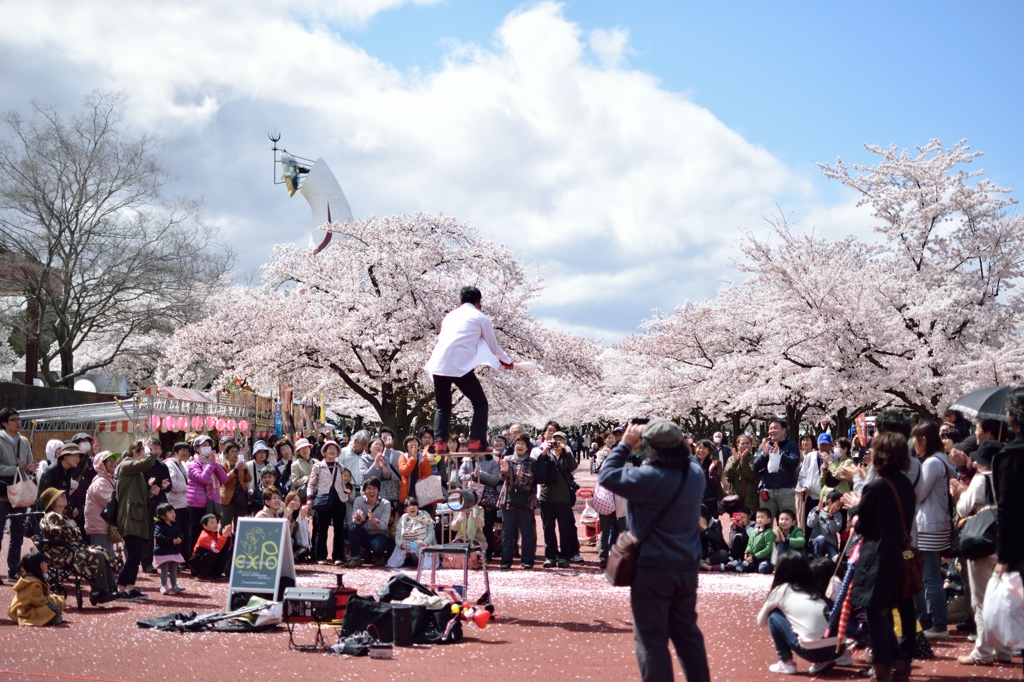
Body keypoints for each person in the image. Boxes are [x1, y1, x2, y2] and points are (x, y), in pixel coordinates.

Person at [597, 419, 710, 682]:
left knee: (651, 638)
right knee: (687, 633)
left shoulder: (647, 477)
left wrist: (624, 443)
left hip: (652, 567)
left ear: (648, 447)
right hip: (686, 565)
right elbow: (689, 456)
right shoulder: (694, 473)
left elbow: (606, 475)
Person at [850, 431, 915, 682]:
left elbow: (862, 525)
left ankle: (882, 667)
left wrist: (856, 507)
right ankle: (898, 662)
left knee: (874, 611)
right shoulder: (905, 484)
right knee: (881, 610)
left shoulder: (876, 486)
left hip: (876, 555)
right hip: (898, 551)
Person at [424, 285, 514, 454]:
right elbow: (493, 346)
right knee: (480, 403)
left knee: (442, 405)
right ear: (479, 302)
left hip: (438, 363)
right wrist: (507, 361)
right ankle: (475, 441)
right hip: (459, 365)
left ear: (460, 301)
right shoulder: (481, 318)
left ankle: (440, 443)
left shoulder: (449, 316)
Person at [949, 439, 1012, 665]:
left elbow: (963, 508)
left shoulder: (980, 480)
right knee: (1002, 600)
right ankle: (1003, 650)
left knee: (981, 601)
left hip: (982, 543)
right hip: (1004, 543)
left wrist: (959, 493)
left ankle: (983, 652)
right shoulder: (1008, 477)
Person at [757, 552, 854, 675]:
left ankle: (786, 663)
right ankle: (832, 659)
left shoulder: (780, 590)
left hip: (814, 651)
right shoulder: (815, 586)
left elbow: (761, 622)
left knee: (773, 615)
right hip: (839, 648)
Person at [910, 420, 955, 639]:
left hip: (929, 525)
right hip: (938, 523)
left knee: (930, 577)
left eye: (914, 438)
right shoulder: (943, 460)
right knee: (929, 575)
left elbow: (918, 494)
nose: (912, 442)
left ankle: (938, 625)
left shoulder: (931, 464)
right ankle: (930, 620)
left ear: (924, 440)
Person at [37, 488, 120, 605]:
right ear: (53, 502)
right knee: (96, 554)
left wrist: (71, 529)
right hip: (60, 553)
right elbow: (59, 533)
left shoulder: (64, 517)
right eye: (61, 496)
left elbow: (77, 534)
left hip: (70, 550)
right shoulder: (51, 516)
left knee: (100, 551)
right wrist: (71, 527)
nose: (65, 497)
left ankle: (109, 588)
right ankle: (100, 590)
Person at [0, 407, 38, 583]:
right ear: (4, 423)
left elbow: (29, 463)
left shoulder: (24, 441)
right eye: (13, 419)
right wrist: (15, 469)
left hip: (20, 493)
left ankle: (13, 570)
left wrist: (30, 469)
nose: (18, 422)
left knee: (17, 534)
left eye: (18, 418)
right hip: (2, 494)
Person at [115, 441, 157, 601]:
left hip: (136, 517)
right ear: (135, 453)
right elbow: (148, 461)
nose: (145, 455)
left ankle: (130, 588)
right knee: (134, 555)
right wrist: (148, 449)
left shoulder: (134, 470)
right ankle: (120, 587)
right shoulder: (127, 465)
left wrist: (150, 493)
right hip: (130, 517)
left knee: (136, 554)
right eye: (142, 452)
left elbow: (137, 494)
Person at [537, 431, 579, 568]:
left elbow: (573, 467)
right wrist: (545, 451)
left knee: (565, 529)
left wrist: (565, 451)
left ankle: (564, 556)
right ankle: (550, 556)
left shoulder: (566, 457)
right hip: (547, 498)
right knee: (548, 529)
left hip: (563, 499)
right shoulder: (546, 456)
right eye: (555, 440)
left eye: (560, 440)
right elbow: (537, 468)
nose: (556, 443)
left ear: (565, 442)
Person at [497, 433, 539, 571]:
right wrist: (507, 470)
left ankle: (527, 560)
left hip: (526, 501)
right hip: (509, 499)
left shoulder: (532, 462)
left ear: (527, 447)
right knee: (508, 532)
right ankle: (506, 560)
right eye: (517, 443)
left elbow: (532, 480)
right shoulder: (507, 459)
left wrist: (522, 475)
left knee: (527, 532)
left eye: (522, 444)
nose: (519, 446)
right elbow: (502, 477)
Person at [305, 439, 350, 565]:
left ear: (338, 452)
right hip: (323, 500)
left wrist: (347, 492)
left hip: (339, 501)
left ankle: (338, 556)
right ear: (324, 452)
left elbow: (345, 483)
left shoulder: (341, 467)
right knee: (321, 528)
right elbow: (311, 484)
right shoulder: (318, 466)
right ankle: (320, 556)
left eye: (334, 449)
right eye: (329, 448)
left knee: (339, 529)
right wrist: (309, 499)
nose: (332, 450)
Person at [458, 436, 502, 559]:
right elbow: (460, 476)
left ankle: (488, 551)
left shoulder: (492, 462)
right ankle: (470, 549)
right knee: (469, 525)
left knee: (487, 526)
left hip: (487, 498)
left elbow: (495, 480)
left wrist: (481, 474)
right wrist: (472, 475)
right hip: (470, 498)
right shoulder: (467, 461)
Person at [186, 435, 227, 563]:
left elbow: (224, 479)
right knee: (197, 533)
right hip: (197, 504)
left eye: (208, 445)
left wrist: (215, 464)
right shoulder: (193, 464)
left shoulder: (213, 463)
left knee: (211, 533)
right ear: (196, 448)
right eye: (203, 445)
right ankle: (194, 562)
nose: (206, 448)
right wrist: (211, 464)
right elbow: (202, 479)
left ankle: (208, 561)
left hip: (212, 503)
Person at [753, 419, 801, 519]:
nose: (772, 431)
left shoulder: (791, 445)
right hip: (767, 491)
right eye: (770, 428)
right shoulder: (765, 446)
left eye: (775, 428)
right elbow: (756, 466)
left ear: (784, 430)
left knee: (787, 523)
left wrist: (780, 454)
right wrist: (764, 454)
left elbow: (794, 462)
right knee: (764, 523)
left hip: (786, 491)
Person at [8, 551, 65, 626]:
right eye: (44, 563)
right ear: (37, 567)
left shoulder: (33, 579)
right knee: (55, 606)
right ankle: (51, 618)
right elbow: (40, 602)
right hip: (26, 612)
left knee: (55, 606)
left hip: (28, 609)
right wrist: (56, 599)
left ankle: (53, 617)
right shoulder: (34, 585)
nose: (46, 564)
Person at [346, 477, 392, 567]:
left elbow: (383, 526)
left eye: (374, 488)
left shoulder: (386, 504)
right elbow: (354, 520)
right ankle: (355, 558)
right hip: (365, 534)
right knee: (352, 529)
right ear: (364, 490)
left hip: (381, 534)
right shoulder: (358, 501)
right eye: (369, 488)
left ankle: (379, 556)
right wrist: (357, 519)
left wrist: (374, 521)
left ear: (378, 490)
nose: (372, 491)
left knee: (376, 545)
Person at [84, 450, 120, 558]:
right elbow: (110, 501)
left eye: (114, 460)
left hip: (105, 525)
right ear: (101, 464)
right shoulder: (100, 482)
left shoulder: (109, 479)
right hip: (98, 526)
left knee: (107, 557)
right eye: (109, 460)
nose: (114, 463)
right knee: (102, 558)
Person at [386, 496, 435, 568]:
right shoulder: (403, 518)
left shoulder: (425, 515)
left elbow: (431, 532)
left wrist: (425, 542)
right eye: (409, 506)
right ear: (405, 509)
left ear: (418, 507)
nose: (412, 507)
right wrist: (401, 545)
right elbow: (398, 536)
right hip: (407, 544)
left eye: (414, 505)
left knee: (428, 565)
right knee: (392, 563)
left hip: (422, 543)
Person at [36, 442, 80, 521]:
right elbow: (43, 501)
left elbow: (65, 497)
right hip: (47, 521)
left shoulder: (68, 472)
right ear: (65, 455)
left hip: (60, 518)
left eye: (79, 456)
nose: (78, 459)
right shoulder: (50, 472)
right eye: (75, 455)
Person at [165, 442, 192, 563]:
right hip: (175, 505)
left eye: (187, 450)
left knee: (184, 533)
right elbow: (173, 484)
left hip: (184, 504)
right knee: (175, 533)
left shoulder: (183, 465)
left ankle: (183, 559)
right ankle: (173, 559)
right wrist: (188, 487)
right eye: (182, 450)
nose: (185, 453)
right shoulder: (171, 464)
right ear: (175, 452)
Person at [153, 503, 186, 595]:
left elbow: (180, 532)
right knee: (164, 570)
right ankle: (164, 586)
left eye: (173, 511)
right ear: (163, 516)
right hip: (163, 551)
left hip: (173, 550)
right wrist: (172, 540)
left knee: (173, 569)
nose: (173, 514)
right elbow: (158, 536)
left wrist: (180, 538)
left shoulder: (175, 524)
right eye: (170, 512)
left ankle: (174, 585)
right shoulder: (159, 525)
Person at [218, 438, 252, 528]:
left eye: (236, 451)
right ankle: (225, 542)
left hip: (241, 499)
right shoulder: (223, 466)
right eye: (232, 451)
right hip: (228, 500)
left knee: (240, 526)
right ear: (226, 454)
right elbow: (224, 480)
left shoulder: (242, 465)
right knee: (226, 525)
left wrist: (245, 469)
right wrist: (235, 470)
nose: (235, 454)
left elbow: (249, 479)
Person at [190, 513, 233, 581]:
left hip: (207, 560)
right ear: (204, 525)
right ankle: (203, 576)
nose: (215, 524)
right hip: (197, 565)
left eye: (216, 522)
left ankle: (216, 574)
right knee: (211, 555)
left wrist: (228, 536)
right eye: (212, 523)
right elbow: (216, 549)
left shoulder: (215, 533)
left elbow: (225, 548)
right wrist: (224, 536)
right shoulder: (204, 536)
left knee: (225, 554)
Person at [725, 434, 760, 513]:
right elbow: (728, 474)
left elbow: (751, 475)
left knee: (751, 522)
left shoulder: (754, 459)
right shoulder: (731, 459)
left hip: (750, 499)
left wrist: (744, 461)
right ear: (737, 445)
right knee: (735, 523)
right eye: (742, 443)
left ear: (751, 445)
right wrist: (735, 461)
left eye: (748, 443)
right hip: (734, 498)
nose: (745, 445)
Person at [736, 508, 775, 574]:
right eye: (758, 517)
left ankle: (759, 566)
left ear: (768, 520)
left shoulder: (769, 532)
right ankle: (754, 566)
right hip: (752, 558)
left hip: (763, 558)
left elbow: (768, 549)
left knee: (763, 569)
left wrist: (755, 557)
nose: (759, 519)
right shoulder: (755, 531)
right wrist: (747, 552)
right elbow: (750, 543)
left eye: (762, 517)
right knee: (739, 568)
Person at [807, 491, 844, 559]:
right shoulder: (816, 509)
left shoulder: (838, 515)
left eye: (840, 506)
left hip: (830, 544)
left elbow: (833, 531)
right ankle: (817, 560)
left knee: (835, 558)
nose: (839, 508)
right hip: (816, 541)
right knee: (821, 539)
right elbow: (810, 524)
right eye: (838, 505)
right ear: (829, 501)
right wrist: (817, 512)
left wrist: (831, 517)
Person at [693, 439, 723, 516]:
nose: (701, 450)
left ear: (709, 451)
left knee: (710, 521)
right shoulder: (691, 462)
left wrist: (710, 470)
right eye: (699, 447)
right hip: (694, 498)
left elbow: (714, 482)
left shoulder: (714, 462)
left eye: (704, 448)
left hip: (710, 498)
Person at [290, 438, 314, 504]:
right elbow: (295, 482)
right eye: (301, 448)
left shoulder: (316, 462)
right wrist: (309, 478)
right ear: (298, 451)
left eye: (306, 447)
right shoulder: (295, 465)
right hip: (305, 498)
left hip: (318, 495)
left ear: (309, 448)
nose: (304, 450)